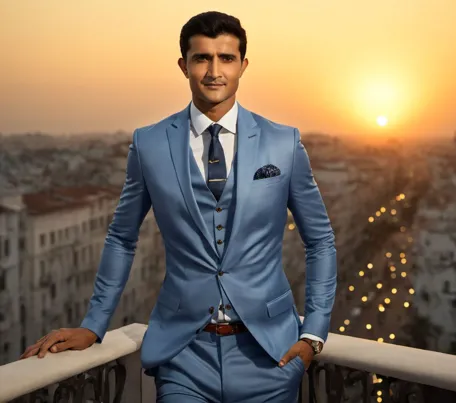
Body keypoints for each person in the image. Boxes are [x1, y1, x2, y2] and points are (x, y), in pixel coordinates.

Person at [20, 11, 337, 403]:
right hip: (184, 356)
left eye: (226, 58)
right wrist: (94, 324)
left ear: (243, 66)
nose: (214, 71)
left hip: (272, 356)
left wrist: (313, 334)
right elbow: (122, 237)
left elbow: (320, 240)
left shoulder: (283, 143)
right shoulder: (149, 144)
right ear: (183, 65)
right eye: (202, 58)